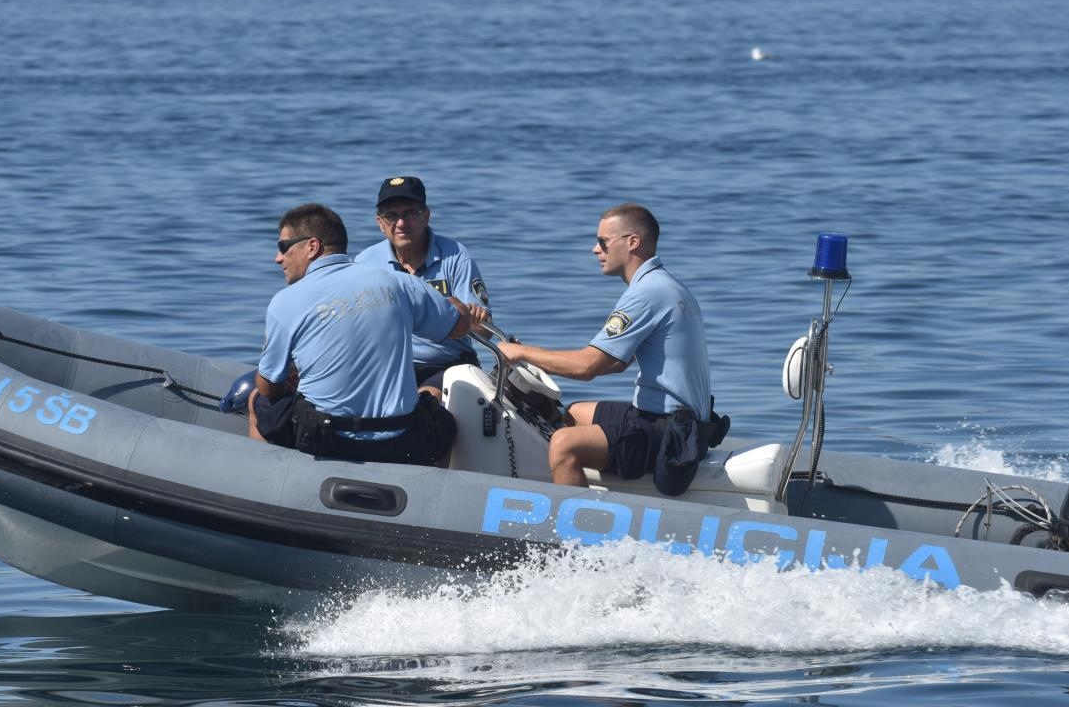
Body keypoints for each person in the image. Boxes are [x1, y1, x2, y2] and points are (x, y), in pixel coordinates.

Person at [497, 203, 722, 491]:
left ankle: (573, 517)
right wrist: (536, 358)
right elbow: (616, 362)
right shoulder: (664, 284)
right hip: (671, 418)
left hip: (671, 433)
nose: (595, 250)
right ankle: (586, 486)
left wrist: (522, 352)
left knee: (563, 443)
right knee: (574, 413)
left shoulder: (646, 294)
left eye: (603, 242)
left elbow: (587, 367)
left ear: (633, 242)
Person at [248, 203, 479, 466]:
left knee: (257, 399)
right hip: (402, 440)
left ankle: (266, 479)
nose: (278, 258)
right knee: (442, 421)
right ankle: (429, 484)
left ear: (312, 246)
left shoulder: (284, 302)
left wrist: (290, 378)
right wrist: (456, 305)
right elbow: (460, 326)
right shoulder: (400, 282)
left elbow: (268, 387)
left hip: (326, 440)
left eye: (283, 247)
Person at [355, 176, 491, 391]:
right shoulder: (364, 263)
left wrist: (472, 320)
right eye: (391, 216)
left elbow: (485, 330)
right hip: (386, 369)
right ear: (380, 223)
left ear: (426, 216)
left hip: (447, 366)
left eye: (410, 213)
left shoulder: (456, 256)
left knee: (428, 397)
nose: (401, 223)